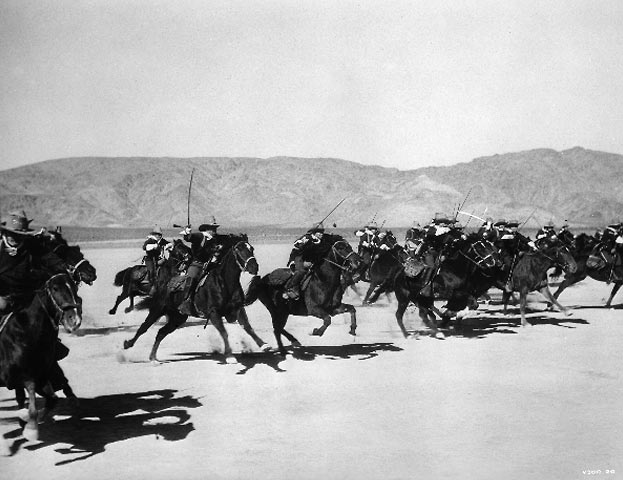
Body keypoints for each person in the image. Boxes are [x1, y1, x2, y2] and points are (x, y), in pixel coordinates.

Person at [0, 210, 69, 312]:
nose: (15, 238)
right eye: (12, 234)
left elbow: (49, 257)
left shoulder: (31, 244)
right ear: (5, 232)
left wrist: (64, 266)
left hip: (25, 292)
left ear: (24, 235)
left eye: (19, 235)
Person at [178, 217, 222, 315]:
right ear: (207, 229)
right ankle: (186, 301)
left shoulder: (214, 239)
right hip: (197, 264)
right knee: (192, 279)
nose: (214, 231)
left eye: (215, 229)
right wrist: (187, 232)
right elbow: (189, 238)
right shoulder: (200, 236)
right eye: (212, 229)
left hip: (210, 265)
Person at [283, 223, 331, 300]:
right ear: (314, 232)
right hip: (299, 258)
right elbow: (296, 245)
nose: (321, 234)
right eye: (319, 232)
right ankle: (290, 288)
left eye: (322, 232)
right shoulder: (307, 238)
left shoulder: (322, 241)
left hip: (312, 260)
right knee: (301, 272)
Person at [142, 225, 170, 296]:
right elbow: (144, 247)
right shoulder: (150, 241)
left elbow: (168, 243)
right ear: (154, 234)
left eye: (160, 235)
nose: (159, 236)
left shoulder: (161, 241)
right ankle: (150, 284)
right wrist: (153, 246)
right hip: (150, 260)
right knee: (151, 270)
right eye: (158, 234)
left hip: (158, 259)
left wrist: (169, 245)